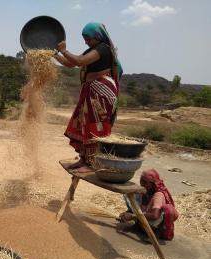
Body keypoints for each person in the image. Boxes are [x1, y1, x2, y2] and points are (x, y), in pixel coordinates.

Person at [54, 22, 123, 171]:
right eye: (84, 38)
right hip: (91, 89)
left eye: (88, 38)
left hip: (101, 90)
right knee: (84, 123)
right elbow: (70, 63)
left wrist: (64, 50)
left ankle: (91, 163)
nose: (85, 41)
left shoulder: (103, 49)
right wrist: (55, 54)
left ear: (98, 36)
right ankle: (84, 159)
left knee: (94, 124)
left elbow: (80, 61)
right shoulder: (92, 49)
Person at [119, 169, 179, 240]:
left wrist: (132, 216)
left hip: (153, 224)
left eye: (145, 182)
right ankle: (137, 225)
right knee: (129, 194)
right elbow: (136, 206)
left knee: (166, 210)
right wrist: (127, 213)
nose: (142, 184)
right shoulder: (145, 191)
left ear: (153, 184)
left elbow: (154, 215)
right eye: (141, 181)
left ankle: (156, 234)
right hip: (144, 218)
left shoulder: (158, 195)